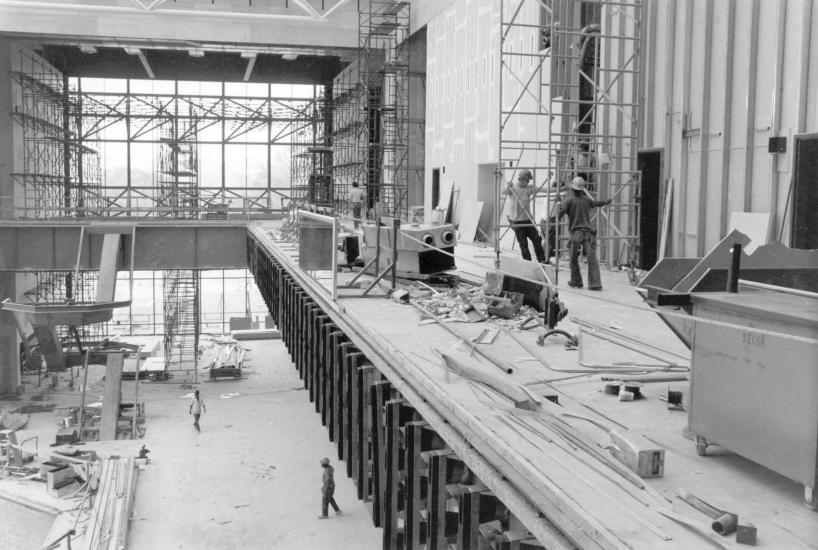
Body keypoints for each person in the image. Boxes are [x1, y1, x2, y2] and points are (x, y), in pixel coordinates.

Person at [559, 176, 612, 290]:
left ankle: (576, 281)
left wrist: (555, 215)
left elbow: (560, 213)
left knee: (573, 258)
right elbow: (597, 203)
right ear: (582, 190)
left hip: (576, 233)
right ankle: (595, 284)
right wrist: (606, 202)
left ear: (572, 189)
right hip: (587, 233)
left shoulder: (569, 201)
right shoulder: (586, 200)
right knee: (591, 258)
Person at [505, 169, 546, 263]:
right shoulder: (513, 188)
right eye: (526, 180)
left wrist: (559, 189)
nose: (527, 182)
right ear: (521, 179)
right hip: (517, 221)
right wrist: (508, 186)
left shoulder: (529, 188)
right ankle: (527, 262)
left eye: (528, 181)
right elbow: (505, 192)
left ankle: (542, 260)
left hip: (528, 220)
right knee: (523, 244)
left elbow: (545, 190)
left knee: (537, 240)